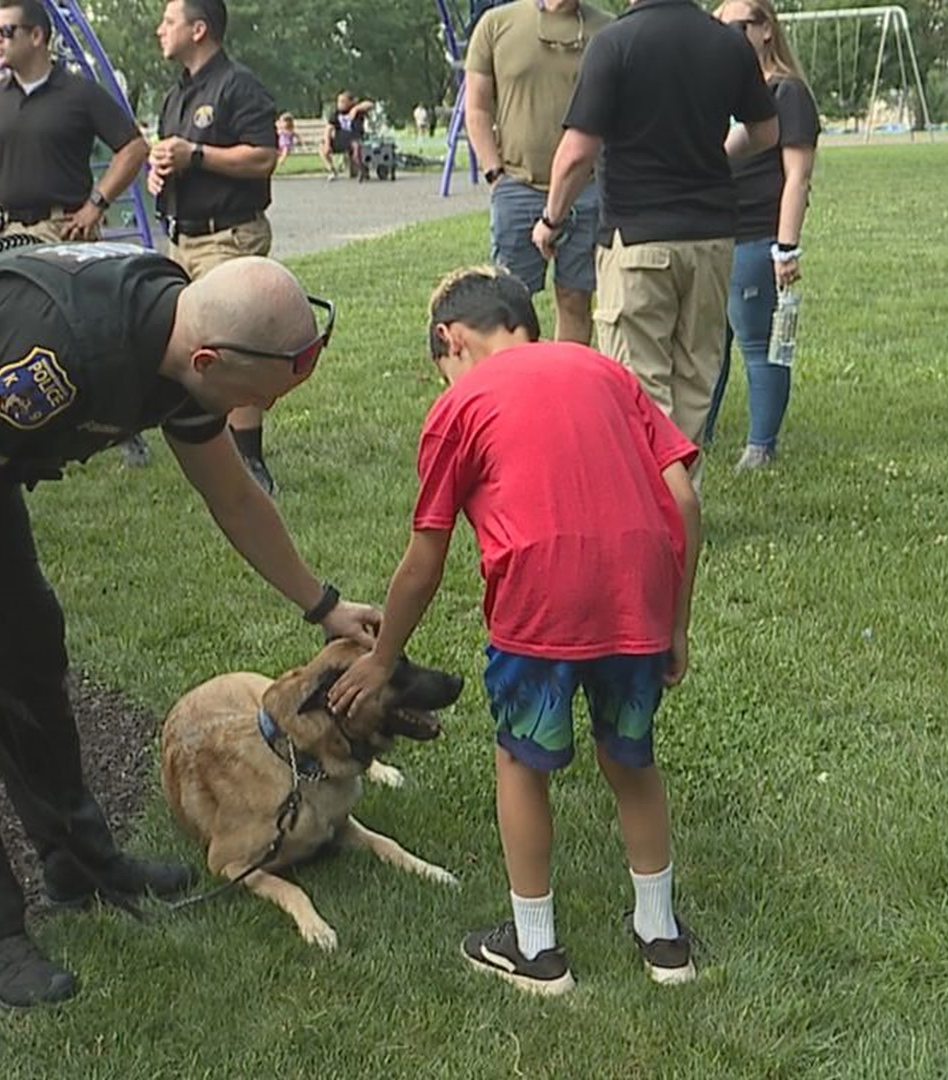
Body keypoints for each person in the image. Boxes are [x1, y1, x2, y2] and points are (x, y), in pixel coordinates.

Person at [0, 241, 380, 1007]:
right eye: (261, 393)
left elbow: (232, 494)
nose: (258, 412)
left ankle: (81, 862)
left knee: (28, 651)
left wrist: (321, 603)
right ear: (207, 362)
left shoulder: (179, 342)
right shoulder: (55, 358)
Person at [329, 266, 701, 995]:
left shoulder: (461, 402)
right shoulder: (604, 370)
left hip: (537, 607)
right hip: (638, 602)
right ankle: (664, 943)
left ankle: (537, 952)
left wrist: (383, 657)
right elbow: (682, 499)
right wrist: (675, 623)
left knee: (522, 765)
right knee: (631, 763)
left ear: (450, 339)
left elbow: (424, 558)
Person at [534, 0, 776, 445]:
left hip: (637, 241)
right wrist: (720, 152)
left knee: (640, 395)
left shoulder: (614, 43)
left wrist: (551, 219)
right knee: (694, 388)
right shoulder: (728, 43)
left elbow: (576, 155)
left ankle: (654, 510)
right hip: (712, 239)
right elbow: (765, 131)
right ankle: (684, 509)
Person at [150, 0, 283, 495]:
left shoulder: (237, 85)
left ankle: (250, 459)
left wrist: (197, 155)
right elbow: (176, 159)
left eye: (169, 21)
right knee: (184, 346)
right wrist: (159, 173)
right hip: (181, 237)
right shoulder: (176, 97)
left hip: (229, 234)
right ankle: (205, 446)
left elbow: (264, 157)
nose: (160, 29)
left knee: (234, 342)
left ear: (199, 29)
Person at [701, 0, 819, 471]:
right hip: (713, 233)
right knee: (708, 347)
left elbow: (798, 177)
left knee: (759, 344)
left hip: (755, 236)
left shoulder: (786, 93)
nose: (725, 36)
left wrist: (785, 246)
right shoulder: (725, 94)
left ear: (766, 29)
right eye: (718, 27)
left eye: (736, 26)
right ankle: (697, 435)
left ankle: (760, 446)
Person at [462, 0, 612, 345]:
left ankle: (566, 388)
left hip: (586, 188)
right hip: (517, 186)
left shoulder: (606, 30)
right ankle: (519, 387)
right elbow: (478, 107)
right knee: (510, 306)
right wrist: (494, 174)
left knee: (576, 297)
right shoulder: (496, 24)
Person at [0, 2, 148, 250]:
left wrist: (96, 204)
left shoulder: (81, 93)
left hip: (63, 233)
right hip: (4, 235)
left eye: (6, 31)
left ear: (36, 35)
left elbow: (134, 148)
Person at [323, 91, 374, 182]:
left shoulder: (357, 110)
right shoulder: (336, 113)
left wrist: (356, 108)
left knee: (356, 147)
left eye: (343, 101)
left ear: (350, 102)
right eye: (338, 101)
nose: (340, 104)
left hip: (355, 138)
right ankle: (332, 170)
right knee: (322, 146)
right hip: (341, 140)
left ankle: (362, 169)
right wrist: (327, 143)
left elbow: (370, 104)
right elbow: (328, 128)